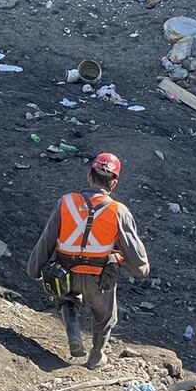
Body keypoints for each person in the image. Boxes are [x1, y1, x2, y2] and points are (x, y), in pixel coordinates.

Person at [26, 153, 150, 369]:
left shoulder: (65, 202)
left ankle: (73, 329)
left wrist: (34, 269)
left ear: (88, 176)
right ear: (114, 183)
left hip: (64, 275)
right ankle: (96, 355)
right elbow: (136, 257)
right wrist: (141, 269)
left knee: (66, 298)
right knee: (105, 317)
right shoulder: (118, 211)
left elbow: (46, 240)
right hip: (99, 280)